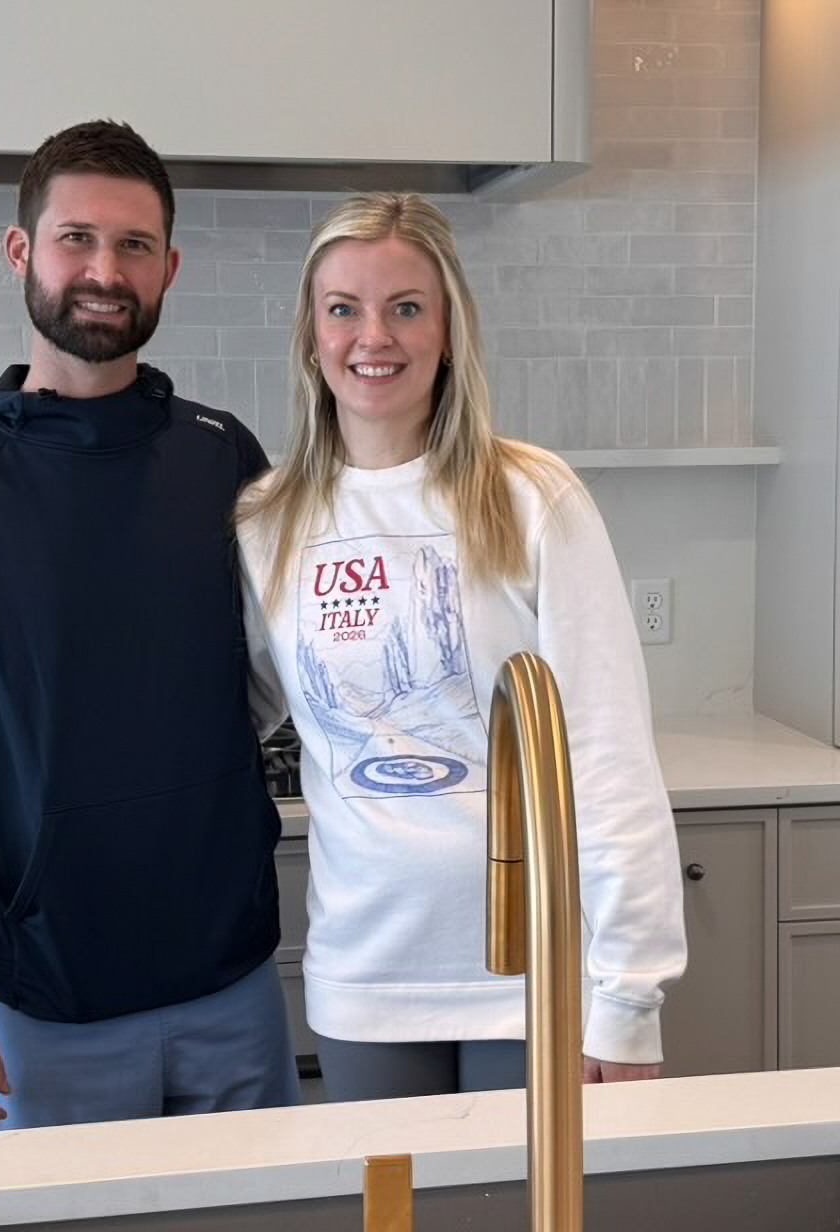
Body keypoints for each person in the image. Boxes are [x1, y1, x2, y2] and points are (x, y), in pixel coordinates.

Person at [0, 119, 298, 1129]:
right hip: (41, 999)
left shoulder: (225, 458)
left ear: (170, 265)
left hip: (229, 980)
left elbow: (287, 662)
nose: (106, 268)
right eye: (77, 238)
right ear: (22, 250)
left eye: (135, 244)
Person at [236, 193, 687, 1102]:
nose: (376, 336)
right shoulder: (267, 520)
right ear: (310, 335)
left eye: (407, 306)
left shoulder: (529, 496)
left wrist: (630, 997)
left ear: (448, 330)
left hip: (532, 965)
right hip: (365, 969)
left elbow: (606, 756)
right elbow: (228, 715)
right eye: (344, 309)